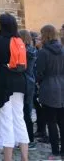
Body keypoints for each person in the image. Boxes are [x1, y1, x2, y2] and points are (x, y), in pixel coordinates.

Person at [0, 13, 29, 161]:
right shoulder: (19, 40)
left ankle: (8, 158)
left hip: (4, 83)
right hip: (20, 82)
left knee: (5, 120)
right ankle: (25, 157)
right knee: (19, 118)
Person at [36, 25, 64, 158]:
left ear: (45, 35)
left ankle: (55, 150)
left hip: (49, 87)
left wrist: (39, 82)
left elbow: (40, 72)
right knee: (62, 120)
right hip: (62, 86)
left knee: (51, 121)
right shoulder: (62, 50)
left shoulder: (43, 52)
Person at [19, 30, 37, 149]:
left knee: (24, 112)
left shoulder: (24, 51)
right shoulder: (32, 50)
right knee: (27, 112)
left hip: (24, 81)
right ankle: (28, 139)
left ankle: (28, 139)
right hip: (30, 81)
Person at [31, 31, 48, 143]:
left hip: (42, 84)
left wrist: (38, 81)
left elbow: (40, 69)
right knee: (38, 109)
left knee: (43, 110)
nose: (36, 41)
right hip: (37, 83)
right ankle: (40, 130)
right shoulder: (37, 51)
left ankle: (44, 132)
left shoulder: (42, 52)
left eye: (38, 39)